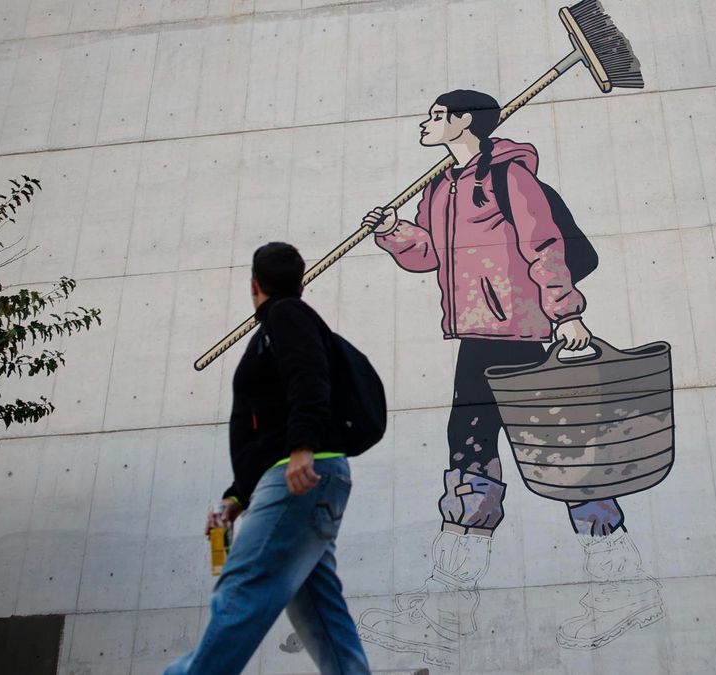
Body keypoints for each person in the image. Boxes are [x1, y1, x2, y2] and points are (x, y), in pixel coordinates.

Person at [355, 90, 661, 661]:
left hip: (522, 330)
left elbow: (543, 243)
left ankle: (622, 587)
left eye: (437, 115)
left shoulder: (509, 176)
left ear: (465, 120)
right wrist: (393, 232)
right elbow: (430, 256)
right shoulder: (439, 186)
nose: (427, 121)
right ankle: (449, 610)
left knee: (563, 456)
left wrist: (566, 313)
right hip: (477, 335)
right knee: (470, 454)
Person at [166, 242, 371, 675]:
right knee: (319, 610)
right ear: (300, 280)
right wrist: (237, 498)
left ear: (254, 284)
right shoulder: (280, 325)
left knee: (242, 589)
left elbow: (308, 377)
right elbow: (267, 427)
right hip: (304, 473)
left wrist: (301, 449)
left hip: (299, 474)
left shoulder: (286, 316)